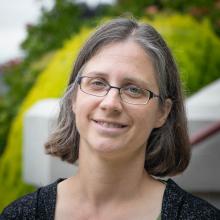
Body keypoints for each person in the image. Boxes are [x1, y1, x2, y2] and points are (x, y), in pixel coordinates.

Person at [1, 18, 220, 220]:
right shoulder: (22, 215)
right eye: (97, 83)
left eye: (133, 89)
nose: (110, 103)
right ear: (74, 98)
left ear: (163, 112)